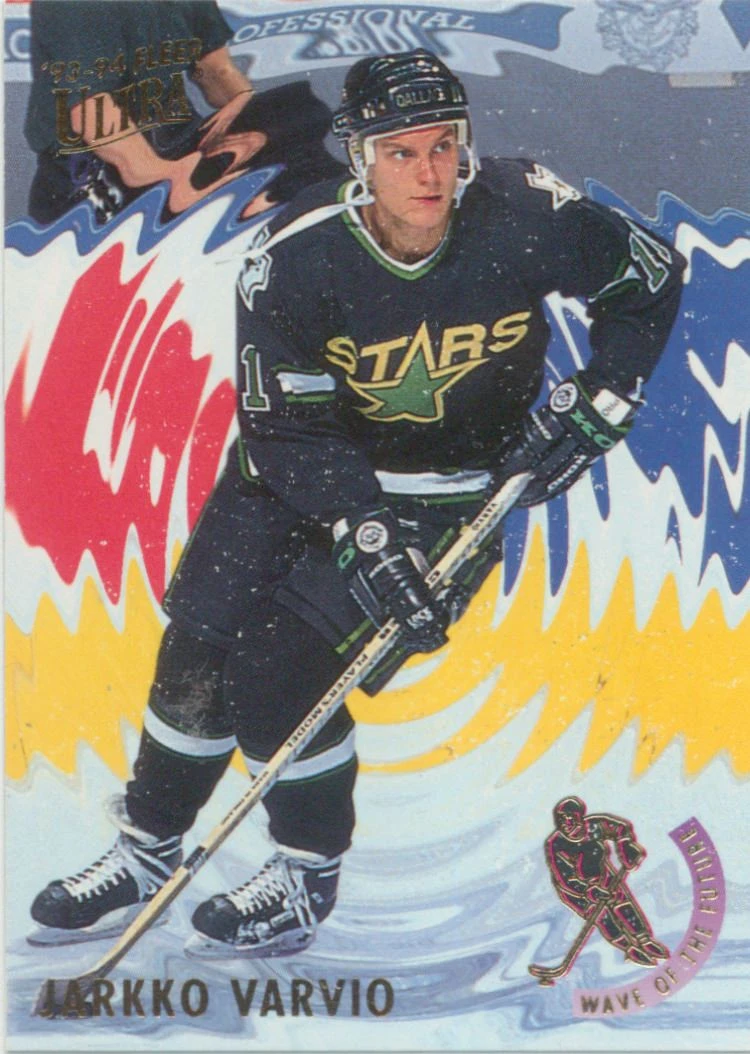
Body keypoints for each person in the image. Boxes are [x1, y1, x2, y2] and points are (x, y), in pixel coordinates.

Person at [29, 50, 685, 959]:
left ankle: (305, 873)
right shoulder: (294, 259)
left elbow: (648, 277)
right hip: (288, 472)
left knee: (276, 675)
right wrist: (364, 531)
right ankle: (147, 847)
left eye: (442, 146)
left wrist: (610, 387)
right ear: (359, 156)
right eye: (400, 152)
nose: (428, 172)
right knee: (197, 651)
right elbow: (283, 428)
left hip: (447, 495)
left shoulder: (526, 210)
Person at [24, 0, 255, 223]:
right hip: (94, 172)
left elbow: (216, 70)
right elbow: (91, 110)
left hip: (175, 141)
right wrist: (170, 178)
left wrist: (253, 110)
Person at [545, 797, 670, 966]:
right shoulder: (555, 844)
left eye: (570, 818)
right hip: (575, 891)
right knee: (602, 916)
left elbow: (621, 828)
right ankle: (628, 947)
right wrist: (589, 891)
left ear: (580, 817)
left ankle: (644, 940)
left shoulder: (594, 826)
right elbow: (565, 878)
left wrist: (625, 845)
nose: (566, 824)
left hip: (602, 875)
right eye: (561, 819)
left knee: (622, 903)